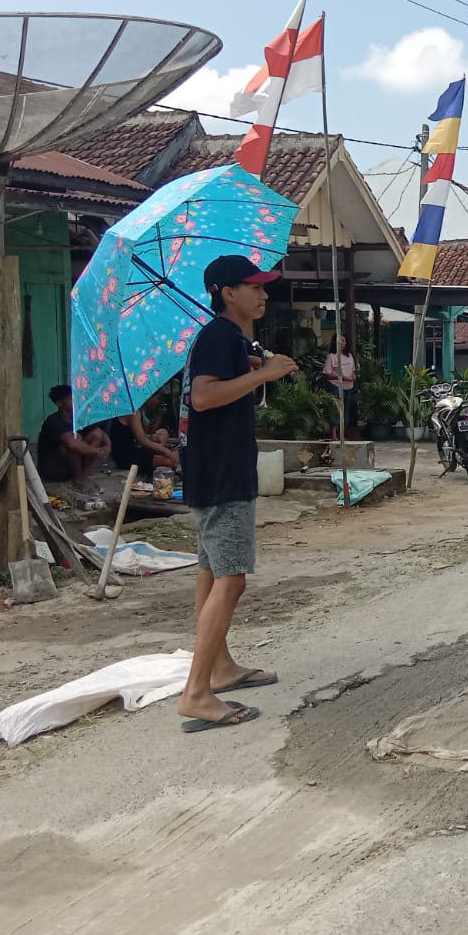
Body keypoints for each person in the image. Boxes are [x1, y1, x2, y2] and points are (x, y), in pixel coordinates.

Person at [177, 254, 295, 733]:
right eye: (254, 287)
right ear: (228, 292)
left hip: (212, 469)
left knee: (211, 570)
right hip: (222, 473)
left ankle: (220, 668)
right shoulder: (218, 336)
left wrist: (252, 362)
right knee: (232, 579)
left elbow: (219, 378)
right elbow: (203, 397)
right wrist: (264, 374)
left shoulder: (226, 339)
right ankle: (196, 694)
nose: (263, 295)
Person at [37, 385, 113, 492]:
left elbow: (101, 434)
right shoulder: (54, 421)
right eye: (70, 399)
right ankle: (78, 479)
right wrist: (97, 451)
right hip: (54, 470)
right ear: (59, 403)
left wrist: (108, 446)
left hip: (71, 466)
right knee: (75, 441)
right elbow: (71, 443)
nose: (75, 401)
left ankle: (82, 476)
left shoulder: (78, 417)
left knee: (95, 435)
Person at [111, 389, 178, 476]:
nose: (158, 399)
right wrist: (166, 451)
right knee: (169, 461)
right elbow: (142, 440)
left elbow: (148, 430)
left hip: (135, 449)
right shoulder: (133, 412)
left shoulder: (140, 411)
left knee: (174, 454)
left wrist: (159, 415)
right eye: (157, 396)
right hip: (126, 455)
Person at [323, 337, 356, 440]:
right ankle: (334, 435)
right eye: (339, 341)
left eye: (344, 341)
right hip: (336, 386)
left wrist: (353, 377)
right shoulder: (331, 356)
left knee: (346, 411)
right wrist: (341, 378)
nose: (342, 343)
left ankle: (342, 434)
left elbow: (353, 371)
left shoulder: (349, 356)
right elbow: (328, 374)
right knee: (336, 410)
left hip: (348, 387)